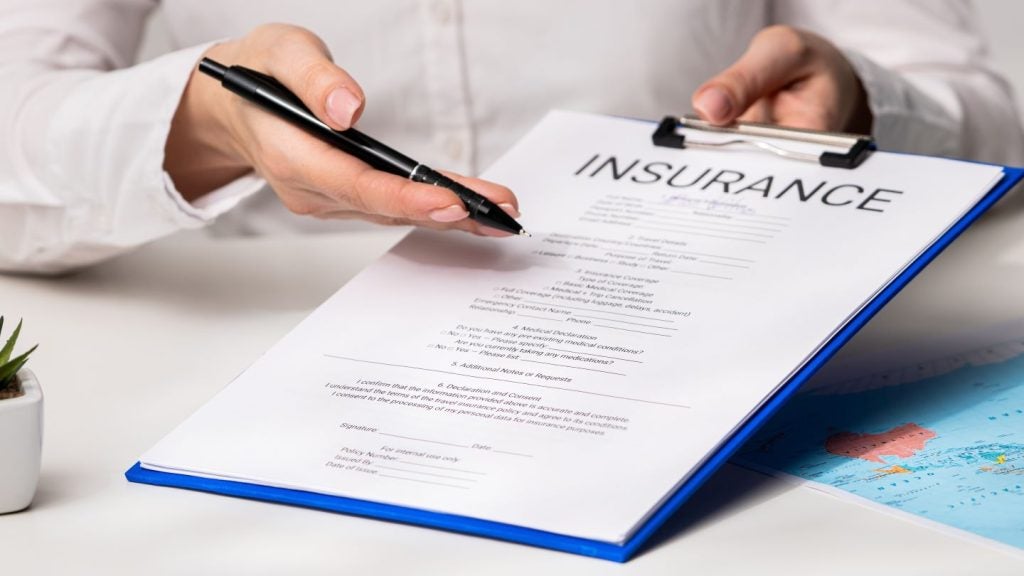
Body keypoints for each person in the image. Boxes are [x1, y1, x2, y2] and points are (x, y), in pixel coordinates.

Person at [0, 0, 1020, 273]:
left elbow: (990, 121)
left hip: (687, 329)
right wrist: (199, 122)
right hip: (242, 350)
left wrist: (867, 112)